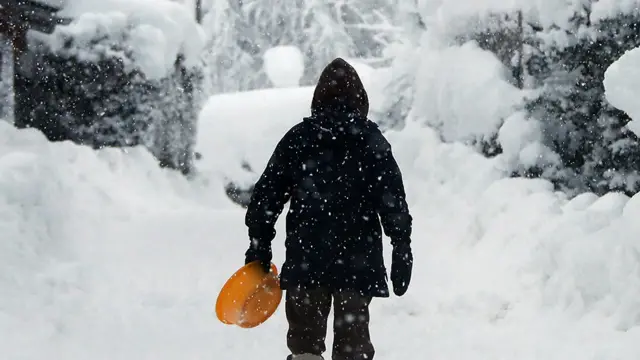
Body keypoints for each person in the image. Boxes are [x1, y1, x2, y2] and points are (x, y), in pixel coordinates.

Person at [243, 58, 413, 360]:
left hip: (308, 257)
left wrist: (259, 244)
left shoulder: (299, 139)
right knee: (352, 345)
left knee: (305, 343)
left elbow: (266, 196)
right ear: (361, 100)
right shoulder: (371, 142)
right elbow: (392, 199)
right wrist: (401, 244)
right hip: (357, 262)